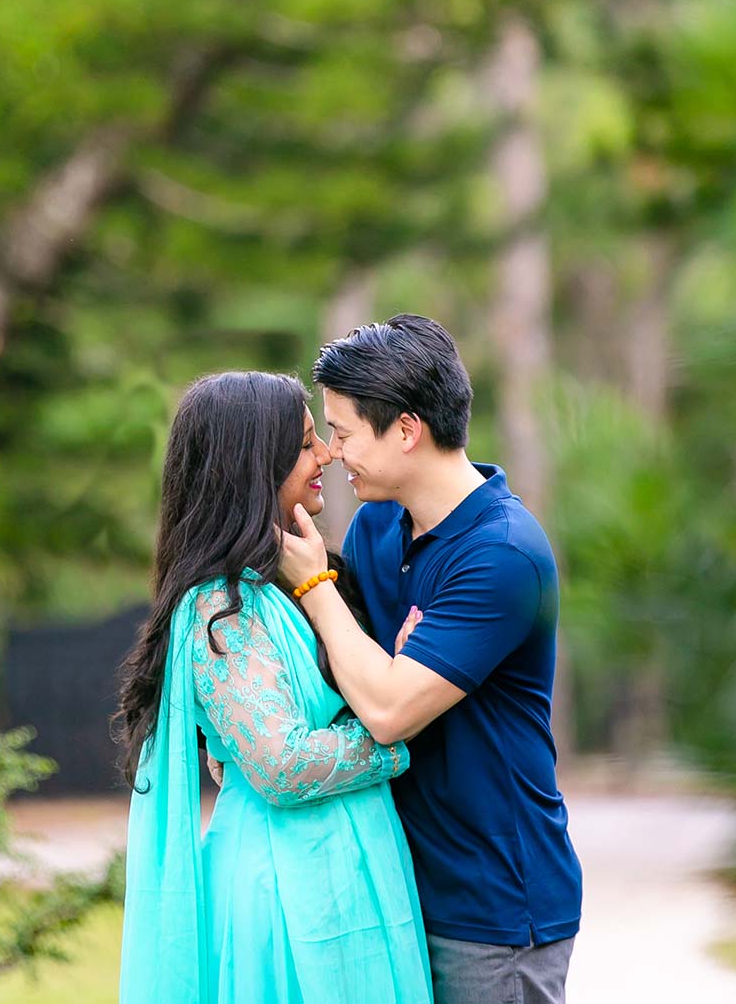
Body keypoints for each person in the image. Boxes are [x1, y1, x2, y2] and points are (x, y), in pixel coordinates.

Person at [279, 315, 582, 1004]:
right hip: (400, 881)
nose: (331, 452)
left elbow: (386, 710)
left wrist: (315, 587)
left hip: (494, 910)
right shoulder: (376, 524)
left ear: (407, 430)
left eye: (345, 432)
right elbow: (350, 676)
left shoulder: (501, 553)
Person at [117, 370, 433, 1004]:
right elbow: (282, 767)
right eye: (306, 443)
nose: (326, 456)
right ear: (253, 463)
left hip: (356, 868)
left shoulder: (290, 580)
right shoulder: (217, 607)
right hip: (286, 886)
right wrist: (392, 728)